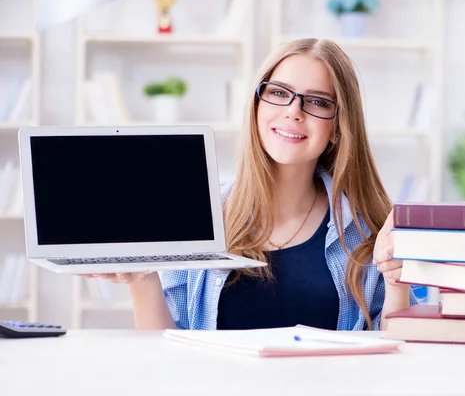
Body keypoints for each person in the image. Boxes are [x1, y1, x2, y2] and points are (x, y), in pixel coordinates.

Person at [88, 38, 418, 331]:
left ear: (338, 127)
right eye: (278, 93)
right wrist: (143, 278)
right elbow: (167, 354)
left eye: (317, 101)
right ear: (256, 106)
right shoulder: (200, 213)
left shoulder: (367, 229)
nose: (293, 111)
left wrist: (396, 283)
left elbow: (394, 358)